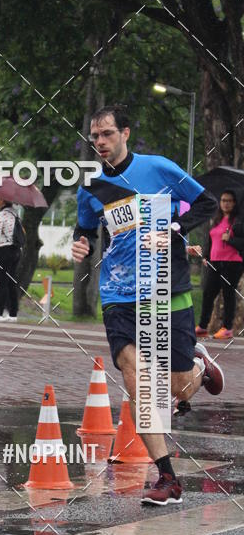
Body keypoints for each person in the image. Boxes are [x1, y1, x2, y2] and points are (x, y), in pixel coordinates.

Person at [71, 104, 221, 507]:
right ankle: (167, 477)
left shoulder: (158, 169)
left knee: (175, 385)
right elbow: (85, 227)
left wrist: (175, 228)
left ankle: (196, 366)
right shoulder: (93, 187)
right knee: (137, 378)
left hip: (164, 287)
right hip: (118, 294)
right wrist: (81, 244)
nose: (100, 142)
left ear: (125, 133)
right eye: (95, 136)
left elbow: (205, 203)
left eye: (106, 134)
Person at [196, 190, 244, 340]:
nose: (225, 203)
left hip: (232, 263)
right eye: (223, 200)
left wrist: (229, 240)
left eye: (229, 201)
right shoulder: (216, 220)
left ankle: (227, 328)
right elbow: (210, 240)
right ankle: (203, 327)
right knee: (208, 293)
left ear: (234, 203)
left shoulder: (238, 222)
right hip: (215, 262)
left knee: (228, 294)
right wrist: (205, 256)